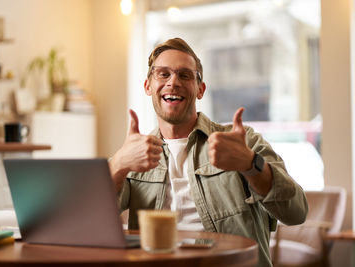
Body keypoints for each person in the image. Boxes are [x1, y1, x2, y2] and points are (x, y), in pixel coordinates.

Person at [109, 37, 308, 267]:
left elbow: (296, 212)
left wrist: (250, 164)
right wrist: (118, 165)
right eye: (163, 74)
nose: (173, 82)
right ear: (148, 86)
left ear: (200, 89)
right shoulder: (134, 153)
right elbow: (89, 223)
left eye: (185, 75)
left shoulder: (243, 142)